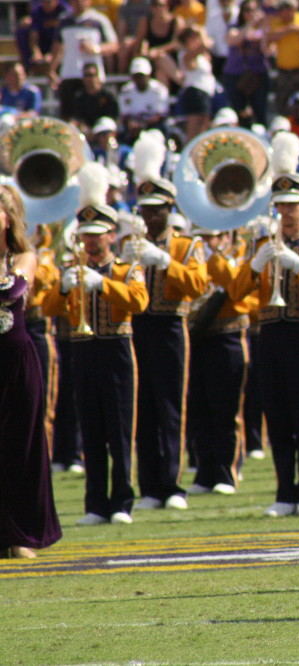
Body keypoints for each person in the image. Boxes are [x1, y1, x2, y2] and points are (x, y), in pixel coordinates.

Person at [227, 132, 299, 516]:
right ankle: (284, 493)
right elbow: (236, 292)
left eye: (293, 205)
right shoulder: (261, 245)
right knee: (276, 414)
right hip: (270, 333)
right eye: (281, 206)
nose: (287, 212)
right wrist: (255, 265)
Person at [43, 164, 149, 526]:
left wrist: (102, 285)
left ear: (111, 235)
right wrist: (62, 288)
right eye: (86, 236)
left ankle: (121, 501)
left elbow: (139, 301)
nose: (90, 242)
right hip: (83, 350)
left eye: (96, 236)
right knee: (90, 429)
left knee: (119, 430)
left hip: (116, 349)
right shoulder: (72, 269)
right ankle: (95, 504)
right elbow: (48, 308)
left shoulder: (126, 269)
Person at [128, 134, 209, 511]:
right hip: (139, 328)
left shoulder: (187, 245)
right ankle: (149, 486)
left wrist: (163, 262)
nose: (150, 217)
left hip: (172, 328)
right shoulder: (131, 245)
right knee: (143, 407)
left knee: (171, 406)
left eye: (156, 210)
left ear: (169, 209)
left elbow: (197, 284)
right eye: (145, 210)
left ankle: (172, 484)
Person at [0, 184, 62, 558]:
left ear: (8, 219)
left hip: (16, 360)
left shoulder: (24, 257)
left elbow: (10, 291)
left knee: (21, 444)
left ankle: (22, 534)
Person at [184, 225, 252, 496]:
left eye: (210, 236)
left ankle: (226, 471)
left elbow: (235, 286)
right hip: (198, 337)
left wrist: (211, 256)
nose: (205, 241)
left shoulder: (236, 258)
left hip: (227, 337)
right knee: (200, 409)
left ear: (223, 237)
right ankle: (204, 472)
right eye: (200, 236)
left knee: (226, 409)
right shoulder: (192, 258)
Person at [49, 0, 119, 121]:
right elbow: (57, 47)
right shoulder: (64, 21)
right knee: (69, 116)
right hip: (69, 74)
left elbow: (114, 45)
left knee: (93, 115)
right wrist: (52, 69)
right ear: (71, 1)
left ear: (89, 0)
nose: (79, 1)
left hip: (92, 75)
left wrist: (95, 49)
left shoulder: (99, 20)